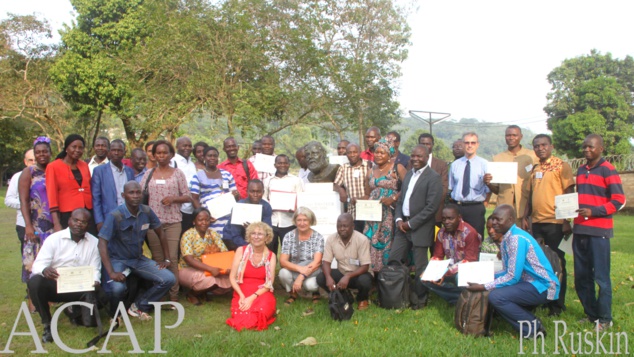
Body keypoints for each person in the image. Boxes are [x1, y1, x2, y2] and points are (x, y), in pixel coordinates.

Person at [466, 205, 560, 339]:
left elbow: (512, 277)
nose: (493, 223)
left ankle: (534, 327)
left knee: (497, 297)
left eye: (498, 220)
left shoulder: (516, 239)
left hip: (543, 285)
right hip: (527, 282)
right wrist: (485, 277)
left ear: (510, 220)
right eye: (493, 219)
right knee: (496, 292)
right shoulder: (507, 238)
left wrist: (484, 285)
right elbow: (506, 271)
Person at [98, 181, 175, 320]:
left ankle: (139, 306)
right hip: (118, 260)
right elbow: (102, 243)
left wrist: (167, 258)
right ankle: (115, 315)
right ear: (123, 195)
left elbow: (161, 232)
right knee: (117, 289)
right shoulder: (115, 215)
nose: (135, 196)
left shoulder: (146, 211)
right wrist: (111, 272)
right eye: (131, 193)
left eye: (138, 192)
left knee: (168, 278)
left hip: (138, 259)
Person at [573, 134, 625, 332]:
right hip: (580, 230)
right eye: (584, 146)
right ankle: (591, 314)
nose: (587, 150)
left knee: (601, 278)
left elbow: (618, 200)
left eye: (591, 147)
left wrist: (594, 211)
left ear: (601, 149)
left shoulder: (608, 169)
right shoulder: (580, 169)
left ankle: (605, 318)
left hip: (599, 232)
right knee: (581, 276)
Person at [28, 209, 101, 343]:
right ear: (69, 221)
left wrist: (95, 281)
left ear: (88, 225)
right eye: (75, 220)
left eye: (83, 222)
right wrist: (45, 270)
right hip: (56, 284)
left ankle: (74, 311)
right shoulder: (54, 239)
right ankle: (47, 324)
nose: (79, 224)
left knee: (102, 297)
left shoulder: (94, 242)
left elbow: (95, 268)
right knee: (35, 283)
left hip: (79, 286)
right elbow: (38, 265)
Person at [521, 134, 575, 317]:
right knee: (539, 264)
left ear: (551, 146)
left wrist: (567, 220)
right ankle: (544, 299)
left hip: (555, 223)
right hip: (537, 222)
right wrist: (526, 216)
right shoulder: (535, 168)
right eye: (536, 146)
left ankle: (557, 305)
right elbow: (530, 195)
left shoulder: (561, 165)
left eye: (544, 145)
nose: (540, 148)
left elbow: (569, 192)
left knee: (557, 263)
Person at [140, 140, 195, 302]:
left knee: (170, 258)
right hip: (153, 223)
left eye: (165, 153)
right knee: (158, 260)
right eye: (158, 153)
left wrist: (174, 199)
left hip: (173, 222)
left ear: (171, 154)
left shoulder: (177, 173)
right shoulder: (148, 173)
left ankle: (174, 296)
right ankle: (159, 293)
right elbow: (139, 193)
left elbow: (188, 196)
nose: (161, 156)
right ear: (154, 155)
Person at [389, 145, 442, 308]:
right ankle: (395, 295)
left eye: (419, 156)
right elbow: (401, 200)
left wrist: (411, 223)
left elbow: (431, 207)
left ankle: (420, 298)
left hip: (420, 228)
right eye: (413, 156)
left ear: (427, 157)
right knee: (393, 259)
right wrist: (398, 219)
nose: (415, 159)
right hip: (402, 226)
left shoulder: (433, 177)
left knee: (420, 266)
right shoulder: (409, 174)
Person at [421, 205, 480, 304]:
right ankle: (457, 297)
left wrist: (444, 273)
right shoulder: (441, 233)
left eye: (450, 218)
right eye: (444, 219)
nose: (446, 222)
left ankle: (459, 297)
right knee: (425, 279)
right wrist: (430, 271)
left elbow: (469, 261)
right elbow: (438, 256)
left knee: (461, 278)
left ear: (459, 217)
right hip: (449, 268)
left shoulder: (470, 233)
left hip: (468, 269)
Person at [363, 139, 406, 273]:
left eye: (382, 153)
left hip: (390, 212)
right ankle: (373, 273)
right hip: (373, 216)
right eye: (376, 152)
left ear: (389, 155)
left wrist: (393, 198)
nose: (378, 155)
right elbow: (367, 193)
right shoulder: (370, 170)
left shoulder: (397, 168)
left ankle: (389, 274)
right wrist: (357, 201)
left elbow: (408, 187)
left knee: (387, 241)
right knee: (371, 240)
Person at [18, 139, 50, 312]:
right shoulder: (28, 172)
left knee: (51, 264)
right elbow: (23, 201)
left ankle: (50, 299)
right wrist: (28, 225)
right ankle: (33, 303)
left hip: (52, 226)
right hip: (36, 225)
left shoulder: (54, 170)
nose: (42, 155)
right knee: (33, 264)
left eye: (45, 151)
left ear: (50, 152)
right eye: (38, 152)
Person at [226, 222, 277, 331]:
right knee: (243, 315)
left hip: (262, 291)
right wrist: (241, 296)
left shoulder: (271, 256)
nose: (256, 237)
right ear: (249, 236)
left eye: (260, 234)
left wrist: (252, 298)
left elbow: (269, 283)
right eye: (253, 233)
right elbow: (232, 277)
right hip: (242, 290)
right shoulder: (241, 251)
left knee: (262, 310)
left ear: (267, 237)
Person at [317, 213, 373, 311]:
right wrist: (328, 277)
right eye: (339, 226)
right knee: (321, 277)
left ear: (352, 226)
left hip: (359, 274)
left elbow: (365, 266)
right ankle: (342, 295)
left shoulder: (362, 239)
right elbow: (326, 262)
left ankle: (362, 299)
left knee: (365, 281)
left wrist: (348, 276)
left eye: (345, 226)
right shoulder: (331, 239)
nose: (342, 229)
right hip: (342, 272)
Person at [485, 125, 538, 226]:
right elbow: (497, 190)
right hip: (504, 207)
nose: (511, 138)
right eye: (508, 135)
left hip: (526, 207)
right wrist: (488, 183)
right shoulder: (498, 158)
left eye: (514, 135)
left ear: (521, 136)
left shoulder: (532, 156)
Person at [179, 208, 232, 306]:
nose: (204, 222)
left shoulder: (213, 233)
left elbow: (224, 252)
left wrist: (227, 268)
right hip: (188, 268)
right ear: (194, 222)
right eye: (200, 220)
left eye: (206, 220)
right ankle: (192, 294)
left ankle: (202, 292)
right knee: (210, 280)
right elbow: (189, 260)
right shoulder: (188, 235)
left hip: (211, 267)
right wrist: (210, 269)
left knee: (231, 278)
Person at [46, 134, 94, 233]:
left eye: (80, 148)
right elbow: (52, 196)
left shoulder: (84, 165)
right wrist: (56, 223)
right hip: (67, 214)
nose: (77, 150)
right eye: (74, 147)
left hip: (87, 212)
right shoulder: (53, 167)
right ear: (66, 148)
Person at [278, 207, 324, 304]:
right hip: (295, 268)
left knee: (310, 285)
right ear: (295, 221)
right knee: (283, 273)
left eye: (305, 220)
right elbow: (283, 261)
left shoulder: (318, 237)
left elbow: (317, 262)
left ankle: (315, 292)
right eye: (299, 220)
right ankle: (293, 294)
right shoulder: (288, 236)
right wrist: (299, 269)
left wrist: (301, 276)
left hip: (312, 270)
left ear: (311, 221)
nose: (302, 223)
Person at [448, 132, 489, 237]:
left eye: (473, 143)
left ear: (477, 144)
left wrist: (484, 203)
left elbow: (489, 189)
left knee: (475, 239)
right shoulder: (455, 165)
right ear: (463, 144)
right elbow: (451, 187)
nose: (470, 145)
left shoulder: (484, 164)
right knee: (455, 239)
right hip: (457, 207)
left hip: (475, 208)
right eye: (467, 143)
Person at [190, 146, 238, 235]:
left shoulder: (227, 174)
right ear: (204, 158)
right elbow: (194, 198)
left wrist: (235, 194)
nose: (212, 158)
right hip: (209, 218)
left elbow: (236, 195)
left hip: (226, 216)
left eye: (215, 156)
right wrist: (203, 215)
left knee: (227, 242)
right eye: (209, 156)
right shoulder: (197, 176)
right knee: (212, 243)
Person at [263, 154, 303, 254]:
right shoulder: (268, 181)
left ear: (289, 164)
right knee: (270, 252)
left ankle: (287, 270)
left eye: (285, 163)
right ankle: (270, 269)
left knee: (290, 253)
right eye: (279, 163)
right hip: (272, 222)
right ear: (275, 165)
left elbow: (301, 199)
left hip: (289, 222)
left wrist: (294, 207)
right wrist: (270, 206)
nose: (282, 165)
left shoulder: (296, 180)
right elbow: (264, 199)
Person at [92, 139, 135, 231]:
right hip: (108, 217)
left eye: (119, 150)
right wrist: (99, 221)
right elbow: (96, 198)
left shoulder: (129, 171)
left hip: (128, 216)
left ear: (124, 152)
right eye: (113, 150)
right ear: (109, 152)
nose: (116, 153)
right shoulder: (99, 171)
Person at [6, 148, 35, 276]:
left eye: (35, 159)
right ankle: (29, 289)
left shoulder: (48, 174)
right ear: (25, 161)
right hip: (24, 224)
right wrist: (25, 206)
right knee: (28, 256)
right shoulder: (18, 177)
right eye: (30, 160)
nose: (33, 162)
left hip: (44, 224)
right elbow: (8, 200)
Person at [222, 180, 273, 250]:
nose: (255, 194)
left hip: (254, 238)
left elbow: (267, 231)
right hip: (232, 239)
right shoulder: (239, 206)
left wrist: (252, 230)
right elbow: (235, 234)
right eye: (252, 191)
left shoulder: (266, 207)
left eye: (258, 192)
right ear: (247, 192)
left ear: (263, 192)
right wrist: (249, 247)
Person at [334, 143, 371, 232]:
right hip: (353, 212)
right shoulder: (343, 168)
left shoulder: (369, 165)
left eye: (355, 152)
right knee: (356, 239)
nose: (352, 155)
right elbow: (336, 184)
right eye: (349, 153)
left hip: (369, 210)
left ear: (360, 152)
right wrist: (341, 190)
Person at [419, 133, 449, 229]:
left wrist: (431, 205)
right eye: (422, 143)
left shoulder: (441, 165)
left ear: (432, 145)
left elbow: (444, 188)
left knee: (435, 242)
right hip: (416, 212)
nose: (425, 146)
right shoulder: (411, 163)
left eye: (428, 144)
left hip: (435, 213)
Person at [172, 136, 198, 233]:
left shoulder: (192, 164)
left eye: (190, 146)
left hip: (191, 208)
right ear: (177, 147)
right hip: (179, 209)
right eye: (184, 146)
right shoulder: (173, 162)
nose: (187, 148)